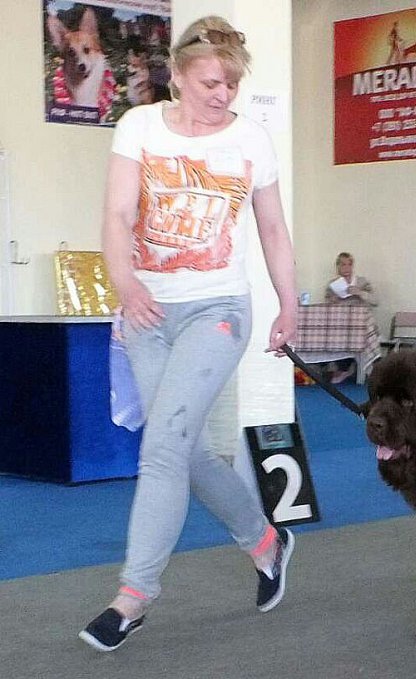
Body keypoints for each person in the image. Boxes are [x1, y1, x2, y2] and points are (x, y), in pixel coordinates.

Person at [79, 16, 298, 652]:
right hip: (148, 312)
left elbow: (273, 231)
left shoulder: (251, 141)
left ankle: (133, 597)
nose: (221, 94)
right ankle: (265, 541)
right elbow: (118, 215)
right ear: (176, 77)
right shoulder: (138, 126)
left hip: (218, 311)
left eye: (229, 84)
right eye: (209, 82)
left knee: (163, 449)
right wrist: (127, 285)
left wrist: (289, 305)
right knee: (188, 450)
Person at [323, 252, 378, 383]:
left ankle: (362, 368)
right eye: (343, 265)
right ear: (338, 267)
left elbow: (376, 301)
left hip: (361, 322)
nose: (346, 268)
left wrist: (360, 293)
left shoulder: (362, 282)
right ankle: (342, 368)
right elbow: (326, 305)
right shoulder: (333, 285)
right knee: (332, 334)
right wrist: (333, 300)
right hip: (340, 322)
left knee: (362, 334)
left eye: (349, 264)